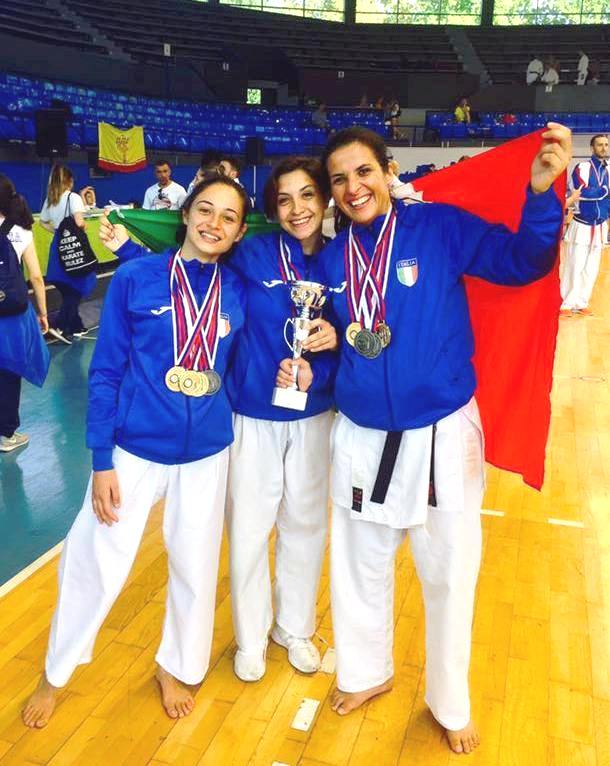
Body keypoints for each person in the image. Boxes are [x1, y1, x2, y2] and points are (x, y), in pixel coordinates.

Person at [317, 125, 569, 754]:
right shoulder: (329, 261)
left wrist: (540, 195)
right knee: (358, 565)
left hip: (441, 432)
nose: (353, 187)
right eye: (340, 179)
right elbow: (331, 341)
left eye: (363, 172)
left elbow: (522, 261)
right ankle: (366, 673)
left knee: (450, 573)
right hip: (363, 434)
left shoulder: (439, 228)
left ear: (388, 172)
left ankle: (450, 701)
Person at [22, 176, 250, 728]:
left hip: (206, 453)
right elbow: (105, 372)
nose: (213, 224)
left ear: (240, 232)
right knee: (94, 559)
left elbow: (241, 368)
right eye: (205, 210)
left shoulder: (238, 290)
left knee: (195, 566)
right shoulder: (136, 278)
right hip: (134, 449)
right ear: (185, 215)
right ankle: (55, 672)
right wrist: (101, 459)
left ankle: (175, 667)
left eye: (228, 217)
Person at [224, 157, 338, 682]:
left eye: (308, 195)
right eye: (285, 200)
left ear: (325, 200)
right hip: (253, 413)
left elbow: (357, 335)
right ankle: (250, 636)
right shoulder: (250, 253)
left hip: (314, 413)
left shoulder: (342, 261)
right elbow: (194, 269)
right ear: (273, 210)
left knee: (306, 524)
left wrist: (328, 353)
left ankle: (293, 627)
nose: (298, 210)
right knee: (249, 527)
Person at [0, 174, 49, 452]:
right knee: (9, 370)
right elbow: (36, 277)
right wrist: (43, 313)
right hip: (12, 316)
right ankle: (6, 434)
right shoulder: (21, 232)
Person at [39, 164, 94, 343]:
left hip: (58, 247)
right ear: (69, 180)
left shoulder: (50, 199)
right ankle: (59, 326)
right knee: (77, 288)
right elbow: (79, 223)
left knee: (67, 288)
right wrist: (84, 226)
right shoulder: (73, 197)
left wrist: (58, 231)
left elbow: (42, 222)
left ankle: (77, 326)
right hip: (74, 248)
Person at [560, 134, 609, 316]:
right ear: (592, 148)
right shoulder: (583, 167)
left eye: (606, 145)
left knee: (591, 268)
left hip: (600, 226)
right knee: (575, 265)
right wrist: (604, 191)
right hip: (582, 224)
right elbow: (582, 192)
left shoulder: (608, 169)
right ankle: (566, 304)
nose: (604, 148)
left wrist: (605, 203)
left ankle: (581, 302)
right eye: (600, 145)